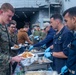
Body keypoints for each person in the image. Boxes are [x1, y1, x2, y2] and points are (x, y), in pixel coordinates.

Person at [0, 3, 24, 75]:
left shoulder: (5, 27)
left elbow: (7, 45)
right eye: (9, 16)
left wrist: (18, 52)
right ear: (1, 12)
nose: (10, 19)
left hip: (6, 68)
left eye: (12, 17)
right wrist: (12, 58)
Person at [61, 7, 76, 75]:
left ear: (74, 19)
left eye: (66, 21)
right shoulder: (74, 35)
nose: (65, 24)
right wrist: (68, 66)